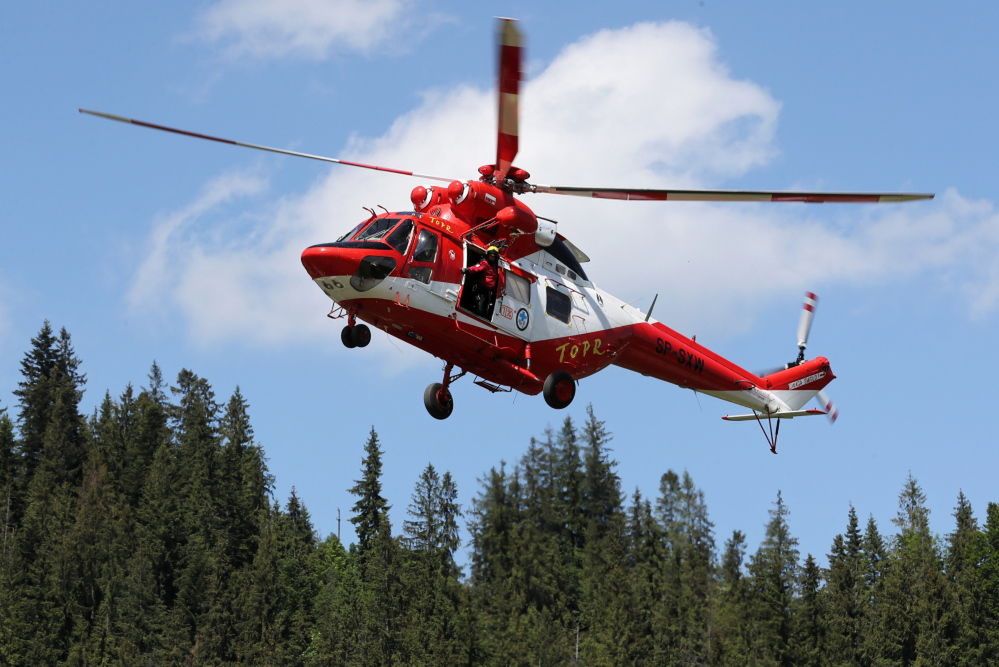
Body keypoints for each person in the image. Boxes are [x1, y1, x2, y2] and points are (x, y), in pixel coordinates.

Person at [462, 245, 505, 318]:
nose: (492, 257)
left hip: (489, 290)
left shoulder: (495, 265)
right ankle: (477, 312)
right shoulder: (485, 263)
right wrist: (467, 270)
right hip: (482, 288)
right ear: (488, 255)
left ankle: (483, 313)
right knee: (480, 304)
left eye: (494, 256)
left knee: (486, 303)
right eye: (491, 256)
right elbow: (477, 268)